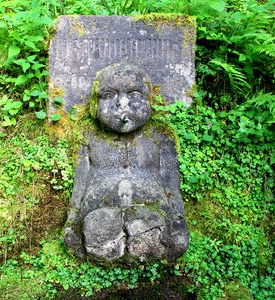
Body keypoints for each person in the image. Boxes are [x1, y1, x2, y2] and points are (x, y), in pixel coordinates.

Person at [64, 63, 188, 262]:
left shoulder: (160, 137)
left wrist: (179, 223)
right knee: (98, 227)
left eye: (135, 95)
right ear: (95, 104)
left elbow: (171, 186)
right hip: (98, 214)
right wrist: (72, 222)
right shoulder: (89, 136)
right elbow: (80, 184)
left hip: (152, 213)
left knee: (148, 225)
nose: (122, 103)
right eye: (109, 95)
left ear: (149, 100)